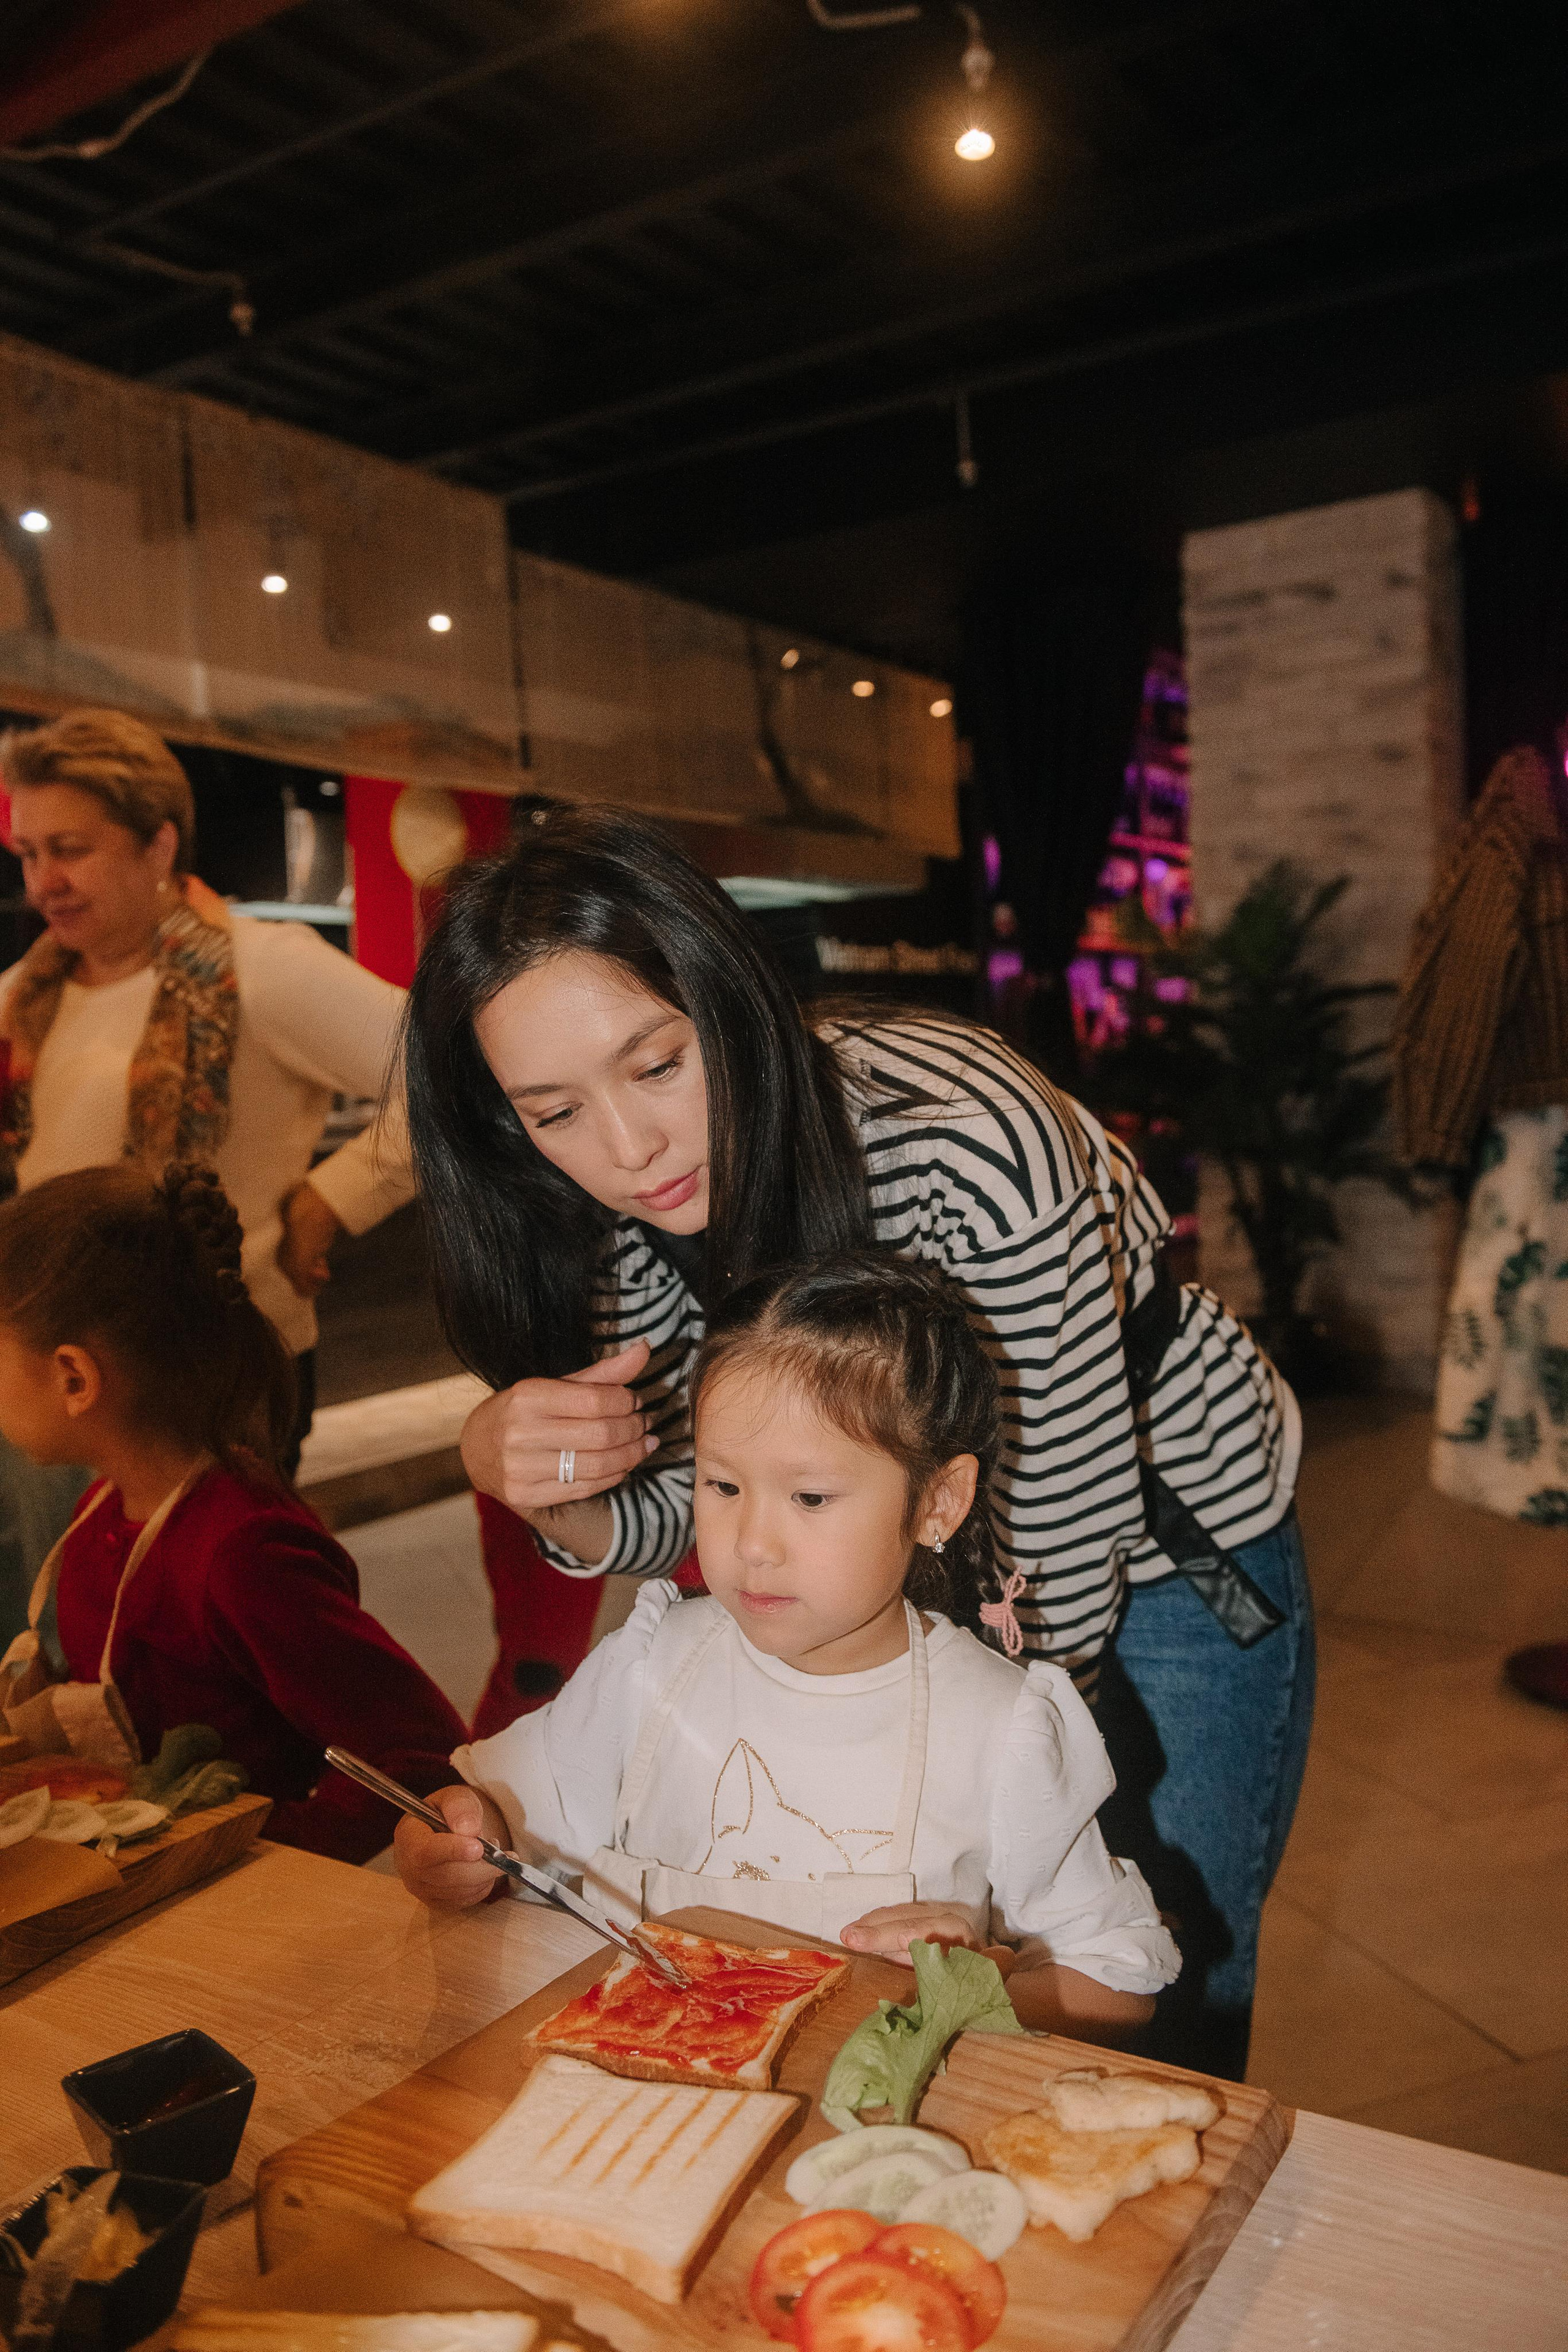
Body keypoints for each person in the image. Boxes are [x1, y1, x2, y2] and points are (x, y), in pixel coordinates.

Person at [402, 804, 1311, 2075]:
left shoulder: (964, 1138)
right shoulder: (604, 1216)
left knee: (1159, 1989)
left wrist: (1003, 1842)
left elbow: (1057, 1522)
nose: (628, 1150)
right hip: (905, 1550)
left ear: (724, 997)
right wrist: (556, 1496)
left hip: (1154, 1544)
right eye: (552, 1113)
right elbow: (705, 1501)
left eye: (657, 1065)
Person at [396, 1253, 1178, 2033]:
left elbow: (1115, 1983)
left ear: (938, 1501)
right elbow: (486, 1815)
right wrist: (452, 1848)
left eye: (809, 1497)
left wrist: (959, 1991)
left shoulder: (998, 1727)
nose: (753, 1544)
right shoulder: (651, 1665)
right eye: (722, 1485)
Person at [0, 707, 414, 1638]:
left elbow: (451, 1083)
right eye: (28, 854)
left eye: (70, 849)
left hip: (211, 1381)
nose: (45, 883)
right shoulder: (26, 997)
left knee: (203, 1650)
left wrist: (333, 1197)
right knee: (72, 1648)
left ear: (158, 843)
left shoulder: (261, 971)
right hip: (51, 1386)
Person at [0, 1163, 466, 1863]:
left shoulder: (241, 1550)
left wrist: (251, 1853)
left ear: (74, 1378)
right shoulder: (104, 1504)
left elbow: (416, 1751)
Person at [1394, 741, 1568, 1709]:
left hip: (1549, 1152)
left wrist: (1434, 1131)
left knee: (1546, 1378)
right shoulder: (1524, 833)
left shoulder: (1513, 843)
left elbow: (1460, 988)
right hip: (1546, 1143)